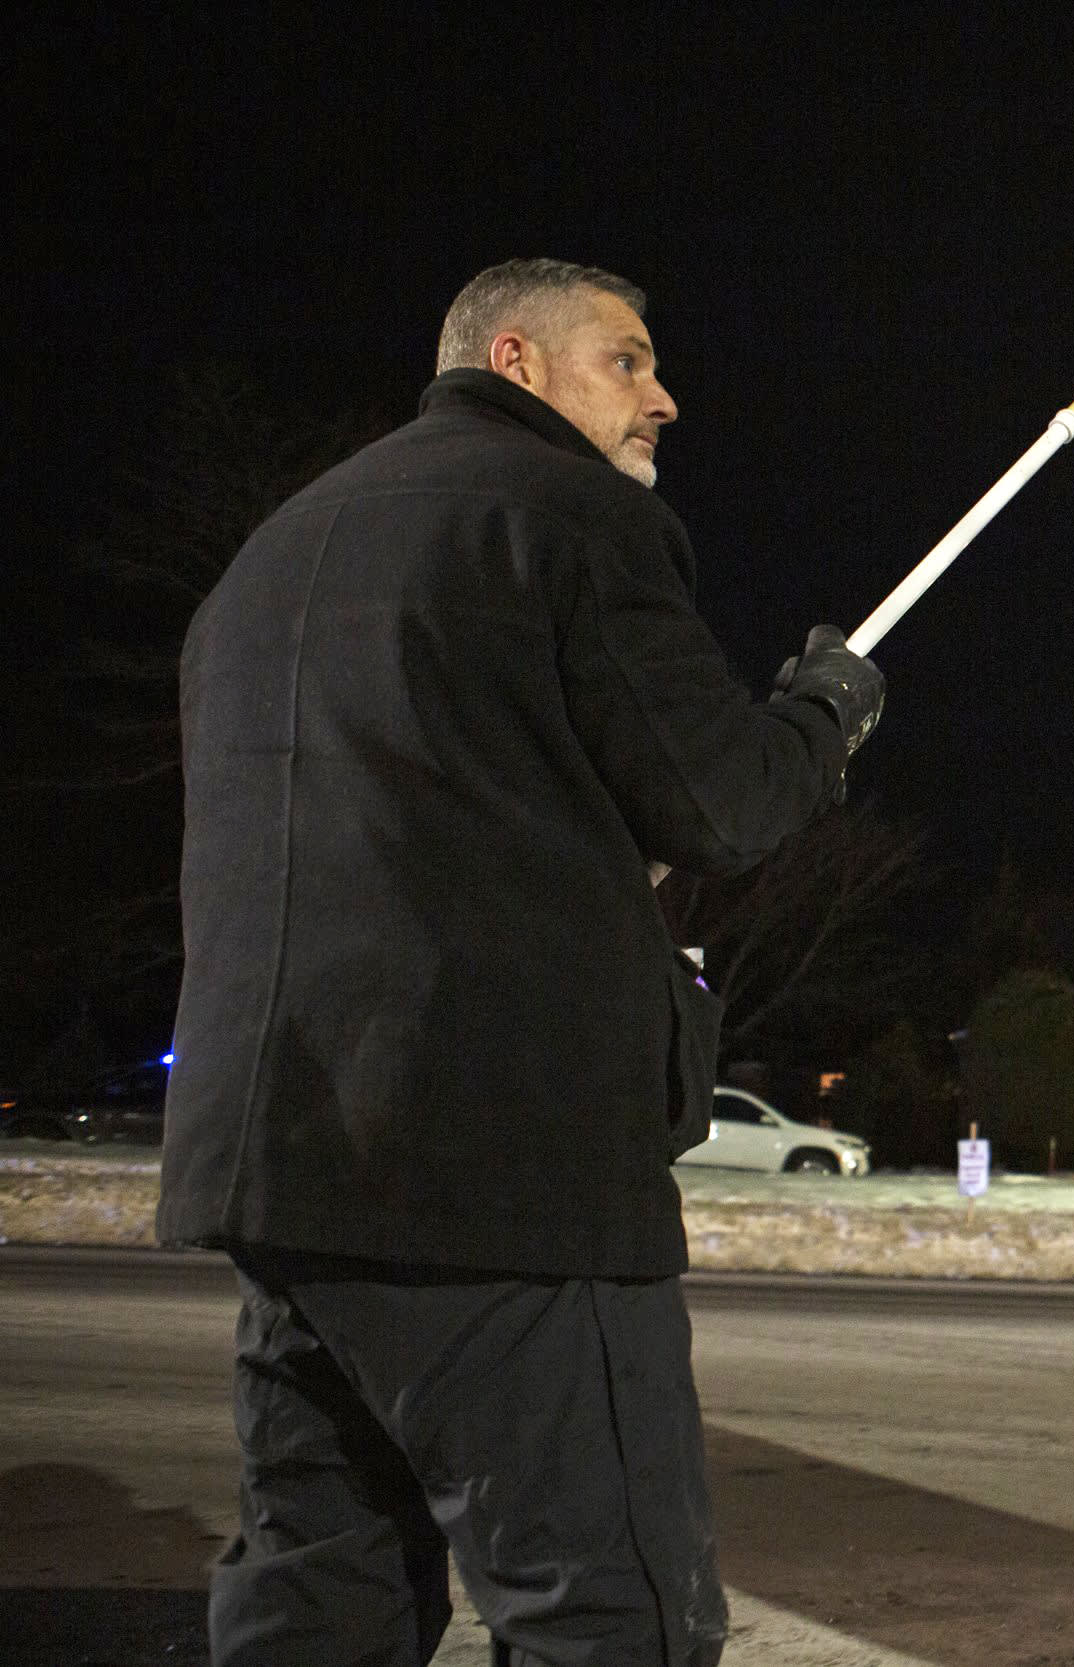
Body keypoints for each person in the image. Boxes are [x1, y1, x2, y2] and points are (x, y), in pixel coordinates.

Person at [157, 259, 881, 1667]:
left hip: (283, 1182)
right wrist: (824, 714)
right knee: (607, 1614)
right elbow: (723, 798)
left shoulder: (271, 556)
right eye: (628, 359)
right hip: (505, 1186)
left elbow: (419, 824)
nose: (663, 397)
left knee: (321, 1599)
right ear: (517, 359)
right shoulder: (569, 515)